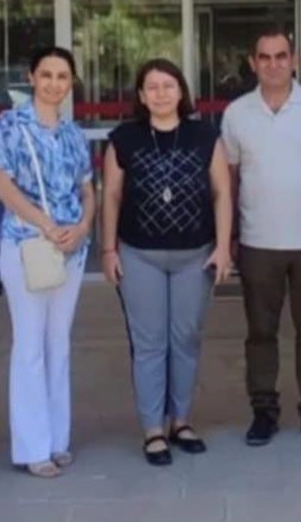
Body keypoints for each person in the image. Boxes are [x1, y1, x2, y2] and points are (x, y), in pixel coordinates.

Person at [221, 27, 301, 448]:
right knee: (261, 333)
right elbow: (230, 180)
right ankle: (264, 412)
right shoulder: (237, 113)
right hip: (258, 242)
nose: (273, 64)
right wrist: (230, 235)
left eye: (281, 56)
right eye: (265, 57)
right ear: (252, 63)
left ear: (294, 60)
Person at [100, 59, 233, 466]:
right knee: (150, 343)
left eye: (168, 85)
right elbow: (111, 196)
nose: (160, 93)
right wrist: (108, 250)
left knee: (185, 338)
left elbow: (222, 194)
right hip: (139, 255)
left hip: (196, 255)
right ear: (141, 96)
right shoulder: (124, 139)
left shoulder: (205, 136)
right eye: (152, 87)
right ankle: (153, 429)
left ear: (181, 92)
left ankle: (182, 421)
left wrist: (223, 246)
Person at [0, 46, 95, 479]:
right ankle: (33, 446)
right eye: (46, 75)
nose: (53, 83)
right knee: (29, 344)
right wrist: (46, 224)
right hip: (27, 244)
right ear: (31, 78)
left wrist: (83, 226)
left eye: (62, 76)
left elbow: (88, 188)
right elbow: (1, 186)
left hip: (71, 248)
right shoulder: (10, 126)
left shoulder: (73, 133)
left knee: (58, 342)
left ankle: (57, 438)